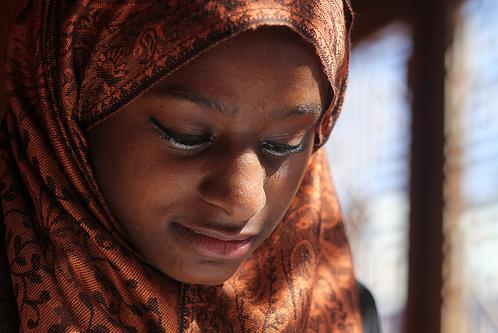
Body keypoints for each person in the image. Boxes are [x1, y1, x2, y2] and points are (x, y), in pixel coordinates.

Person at [0, 0, 379, 331]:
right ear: (69, 104)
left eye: (285, 144)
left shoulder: (347, 311)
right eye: (186, 135)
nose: (243, 200)